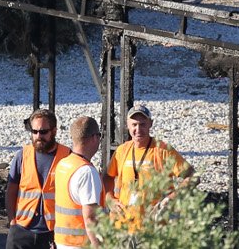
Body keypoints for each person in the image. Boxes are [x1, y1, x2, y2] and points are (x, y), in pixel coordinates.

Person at [103, 104, 195, 232]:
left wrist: (171, 199)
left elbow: (193, 176)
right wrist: (110, 199)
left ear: (150, 124)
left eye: (143, 124)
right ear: (127, 125)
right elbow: (107, 177)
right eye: (134, 125)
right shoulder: (121, 150)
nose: (138, 129)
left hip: (154, 228)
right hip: (123, 226)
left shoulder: (163, 150)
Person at [5, 108, 71, 249]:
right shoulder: (22, 156)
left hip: (53, 233)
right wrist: (12, 222)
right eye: (34, 132)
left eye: (43, 132)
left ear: (54, 131)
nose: (38, 136)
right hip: (21, 231)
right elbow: (11, 191)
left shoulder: (67, 157)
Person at [54, 116, 104, 249]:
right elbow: (90, 217)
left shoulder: (63, 164)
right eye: (99, 136)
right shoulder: (86, 172)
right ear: (94, 138)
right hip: (80, 244)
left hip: (62, 241)